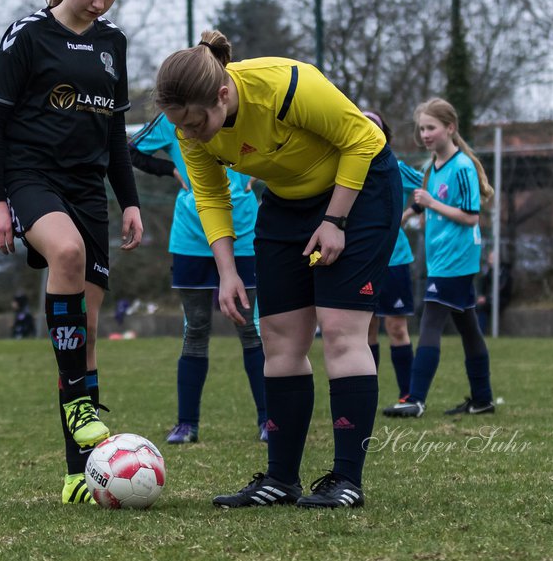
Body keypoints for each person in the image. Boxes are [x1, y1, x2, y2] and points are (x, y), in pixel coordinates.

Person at [154, 30, 398, 510]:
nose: (194, 134)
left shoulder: (288, 85)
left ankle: (347, 479)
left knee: (341, 329)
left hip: (360, 190)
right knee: (282, 338)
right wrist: (226, 270)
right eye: (183, 126)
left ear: (223, 94)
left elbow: (365, 139)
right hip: (286, 204)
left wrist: (334, 220)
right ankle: (281, 479)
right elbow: (211, 195)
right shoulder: (190, 125)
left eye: (200, 123)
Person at [0, 0, 142, 505]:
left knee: (87, 336)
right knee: (64, 254)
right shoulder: (27, 35)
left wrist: (131, 201)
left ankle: (80, 472)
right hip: (29, 177)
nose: (99, 4)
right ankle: (79, 407)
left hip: (87, 188)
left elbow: (114, 134)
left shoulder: (113, 43)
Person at [129, 113, 268, 444]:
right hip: (191, 236)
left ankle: (269, 421)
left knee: (250, 328)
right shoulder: (172, 116)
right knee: (195, 328)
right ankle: (186, 424)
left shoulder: (239, 106)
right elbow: (130, 150)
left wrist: (259, 170)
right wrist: (171, 169)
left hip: (243, 232)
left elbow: (280, 140)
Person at [386, 97, 497, 418]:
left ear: (450, 128)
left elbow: (470, 216)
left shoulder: (461, 167)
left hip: (457, 258)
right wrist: (402, 218)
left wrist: (432, 203)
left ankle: (415, 399)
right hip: (440, 259)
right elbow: (421, 202)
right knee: (468, 326)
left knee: (430, 319)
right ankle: (483, 398)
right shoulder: (430, 166)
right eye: (421, 128)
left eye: (431, 127)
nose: (425, 134)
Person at [360, 110, 424, 407]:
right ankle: (365, 396)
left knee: (396, 327)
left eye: (374, 127)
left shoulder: (396, 167)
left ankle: (408, 395)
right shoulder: (344, 168)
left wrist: (408, 213)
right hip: (361, 261)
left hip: (395, 260)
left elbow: (429, 187)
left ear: (384, 135)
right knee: (366, 328)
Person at [475, 248, 513, 334]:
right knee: (477, 307)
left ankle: (480, 333)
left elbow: (502, 287)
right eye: (489, 258)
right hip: (489, 298)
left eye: (491, 259)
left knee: (483, 307)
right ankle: (475, 332)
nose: (489, 261)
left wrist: (487, 298)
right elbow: (482, 283)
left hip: (501, 298)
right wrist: (481, 295)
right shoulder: (489, 271)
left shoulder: (504, 271)